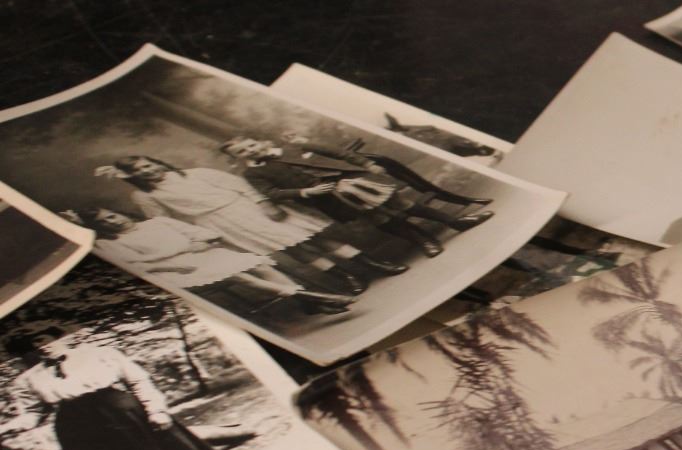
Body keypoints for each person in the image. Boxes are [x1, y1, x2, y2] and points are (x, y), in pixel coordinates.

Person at [5, 327, 231, 450]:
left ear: (62, 337)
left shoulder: (99, 353)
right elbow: (33, 412)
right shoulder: (31, 379)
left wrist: (156, 411)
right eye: (34, 344)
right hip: (76, 427)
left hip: (120, 413)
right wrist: (10, 427)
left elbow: (138, 381)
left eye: (46, 339)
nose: (42, 346)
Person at [107, 157, 365, 293]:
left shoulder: (197, 173)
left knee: (310, 236)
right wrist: (197, 237)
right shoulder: (144, 196)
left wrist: (264, 202)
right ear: (133, 177)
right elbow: (165, 221)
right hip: (219, 222)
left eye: (148, 165)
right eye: (139, 171)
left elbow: (239, 185)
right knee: (293, 249)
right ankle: (347, 276)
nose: (147, 171)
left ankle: (366, 263)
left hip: (246, 208)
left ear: (157, 162)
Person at [221, 135, 487, 260]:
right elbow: (271, 193)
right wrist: (303, 192)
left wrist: (366, 164)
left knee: (401, 204)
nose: (250, 151)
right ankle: (423, 240)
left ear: (260, 142)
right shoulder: (252, 173)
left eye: (251, 144)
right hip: (325, 197)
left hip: (354, 181)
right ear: (238, 159)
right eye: (242, 152)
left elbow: (337, 153)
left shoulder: (295, 146)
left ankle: (455, 222)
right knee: (379, 219)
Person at [77, 208, 353, 315]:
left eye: (112, 215)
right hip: (176, 270)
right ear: (100, 228)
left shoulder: (157, 222)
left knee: (259, 265)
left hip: (204, 254)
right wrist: (174, 261)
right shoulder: (109, 244)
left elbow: (201, 234)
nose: (113, 221)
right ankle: (310, 297)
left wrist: (204, 243)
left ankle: (308, 301)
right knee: (239, 276)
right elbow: (136, 265)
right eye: (104, 222)